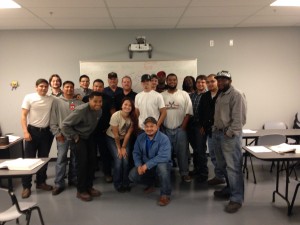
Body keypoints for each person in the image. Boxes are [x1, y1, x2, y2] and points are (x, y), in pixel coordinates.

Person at [212, 70, 247, 213]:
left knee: (233, 168)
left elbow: (239, 119)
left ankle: (236, 198)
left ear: (230, 81)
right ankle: (229, 188)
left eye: (223, 80)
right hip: (218, 134)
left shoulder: (236, 94)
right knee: (222, 165)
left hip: (230, 137)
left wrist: (229, 133)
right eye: (218, 80)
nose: (220, 82)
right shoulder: (220, 94)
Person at [62, 91, 103, 202]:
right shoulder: (81, 110)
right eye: (95, 101)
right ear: (89, 100)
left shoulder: (99, 111)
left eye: (100, 101)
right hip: (77, 138)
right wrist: (75, 136)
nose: (98, 104)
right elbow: (64, 125)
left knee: (92, 162)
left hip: (88, 137)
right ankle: (81, 191)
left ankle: (89, 187)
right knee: (82, 164)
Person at [21, 78, 54, 199]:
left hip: (46, 133)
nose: (44, 88)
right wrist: (25, 131)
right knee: (28, 160)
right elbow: (23, 116)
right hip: (32, 132)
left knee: (43, 159)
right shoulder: (29, 97)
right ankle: (26, 187)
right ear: (36, 87)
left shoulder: (51, 99)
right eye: (41, 86)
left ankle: (41, 183)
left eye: (46, 86)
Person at [129, 117, 172, 206]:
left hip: (161, 164)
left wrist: (147, 165)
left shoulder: (164, 139)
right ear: (144, 128)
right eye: (147, 126)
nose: (149, 129)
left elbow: (164, 156)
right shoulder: (140, 137)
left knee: (162, 169)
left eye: (151, 126)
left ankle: (165, 194)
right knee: (132, 175)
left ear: (156, 127)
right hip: (146, 165)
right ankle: (151, 183)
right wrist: (139, 165)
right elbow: (136, 153)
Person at [50, 81, 83, 195]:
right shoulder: (57, 102)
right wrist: (57, 134)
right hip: (62, 136)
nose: (69, 89)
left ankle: (73, 179)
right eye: (67, 87)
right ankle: (59, 183)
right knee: (61, 159)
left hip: (75, 136)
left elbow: (82, 120)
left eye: (71, 87)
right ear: (63, 89)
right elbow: (53, 119)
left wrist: (79, 134)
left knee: (75, 159)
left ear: (74, 89)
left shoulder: (79, 103)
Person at [161, 73, 193, 183]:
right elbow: (159, 112)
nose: (172, 82)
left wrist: (183, 126)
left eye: (174, 80)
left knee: (182, 152)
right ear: (166, 81)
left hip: (181, 128)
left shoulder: (184, 94)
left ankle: (184, 173)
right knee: (166, 153)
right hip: (165, 130)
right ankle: (167, 173)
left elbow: (188, 112)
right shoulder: (162, 95)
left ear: (177, 81)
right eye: (169, 80)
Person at [83, 79, 115, 183]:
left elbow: (113, 114)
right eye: (96, 86)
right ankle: (90, 174)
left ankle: (107, 173)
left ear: (103, 87)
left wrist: (110, 127)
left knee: (105, 154)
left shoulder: (108, 98)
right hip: (90, 132)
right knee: (91, 154)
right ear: (93, 86)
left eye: (100, 86)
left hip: (103, 132)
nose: (98, 88)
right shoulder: (86, 98)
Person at [106, 97, 138, 192]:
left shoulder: (133, 117)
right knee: (119, 159)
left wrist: (124, 147)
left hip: (124, 139)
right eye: (125, 104)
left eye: (130, 105)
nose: (127, 107)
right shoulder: (116, 115)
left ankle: (125, 182)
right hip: (112, 138)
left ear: (132, 108)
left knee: (126, 159)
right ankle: (117, 183)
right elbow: (116, 135)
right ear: (122, 105)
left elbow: (128, 134)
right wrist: (119, 148)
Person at [198, 74, 225, 185]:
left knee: (222, 156)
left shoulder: (223, 95)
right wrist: (202, 126)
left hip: (222, 131)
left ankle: (226, 178)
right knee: (213, 155)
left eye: (212, 81)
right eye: (207, 82)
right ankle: (219, 177)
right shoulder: (205, 96)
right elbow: (201, 112)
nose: (209, 84)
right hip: (210, 131)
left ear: (217, 82)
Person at [187, 75, 208, 182]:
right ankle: (196, 169)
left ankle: (203, 173)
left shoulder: (208, 96)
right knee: (195, 149)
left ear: (206, 84)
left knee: (201, 150)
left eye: (203, 82)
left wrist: (204, 126)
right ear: (196, 84)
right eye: (199, 82)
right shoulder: (192, 95)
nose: (201, 84)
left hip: (200, 126)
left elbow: (209, 113)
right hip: (191, 125)